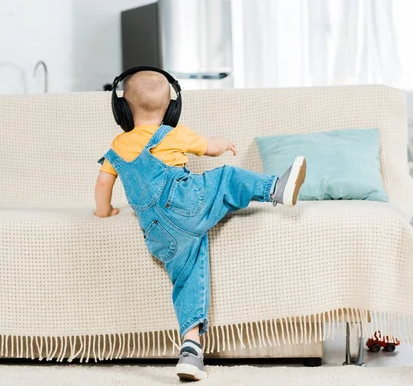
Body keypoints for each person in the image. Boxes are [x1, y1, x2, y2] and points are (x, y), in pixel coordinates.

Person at [95, 68, 306, 381]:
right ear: (172, 107)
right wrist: (222, 143)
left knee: (187, 278)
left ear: (122, 108)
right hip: (188, 203)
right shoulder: (173, 133)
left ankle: (191, 348)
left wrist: (104, 212)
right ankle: (275, 188)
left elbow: (103, 186)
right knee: (227, 178)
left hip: (159, 234)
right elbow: (211, 148)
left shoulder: (117, 146)